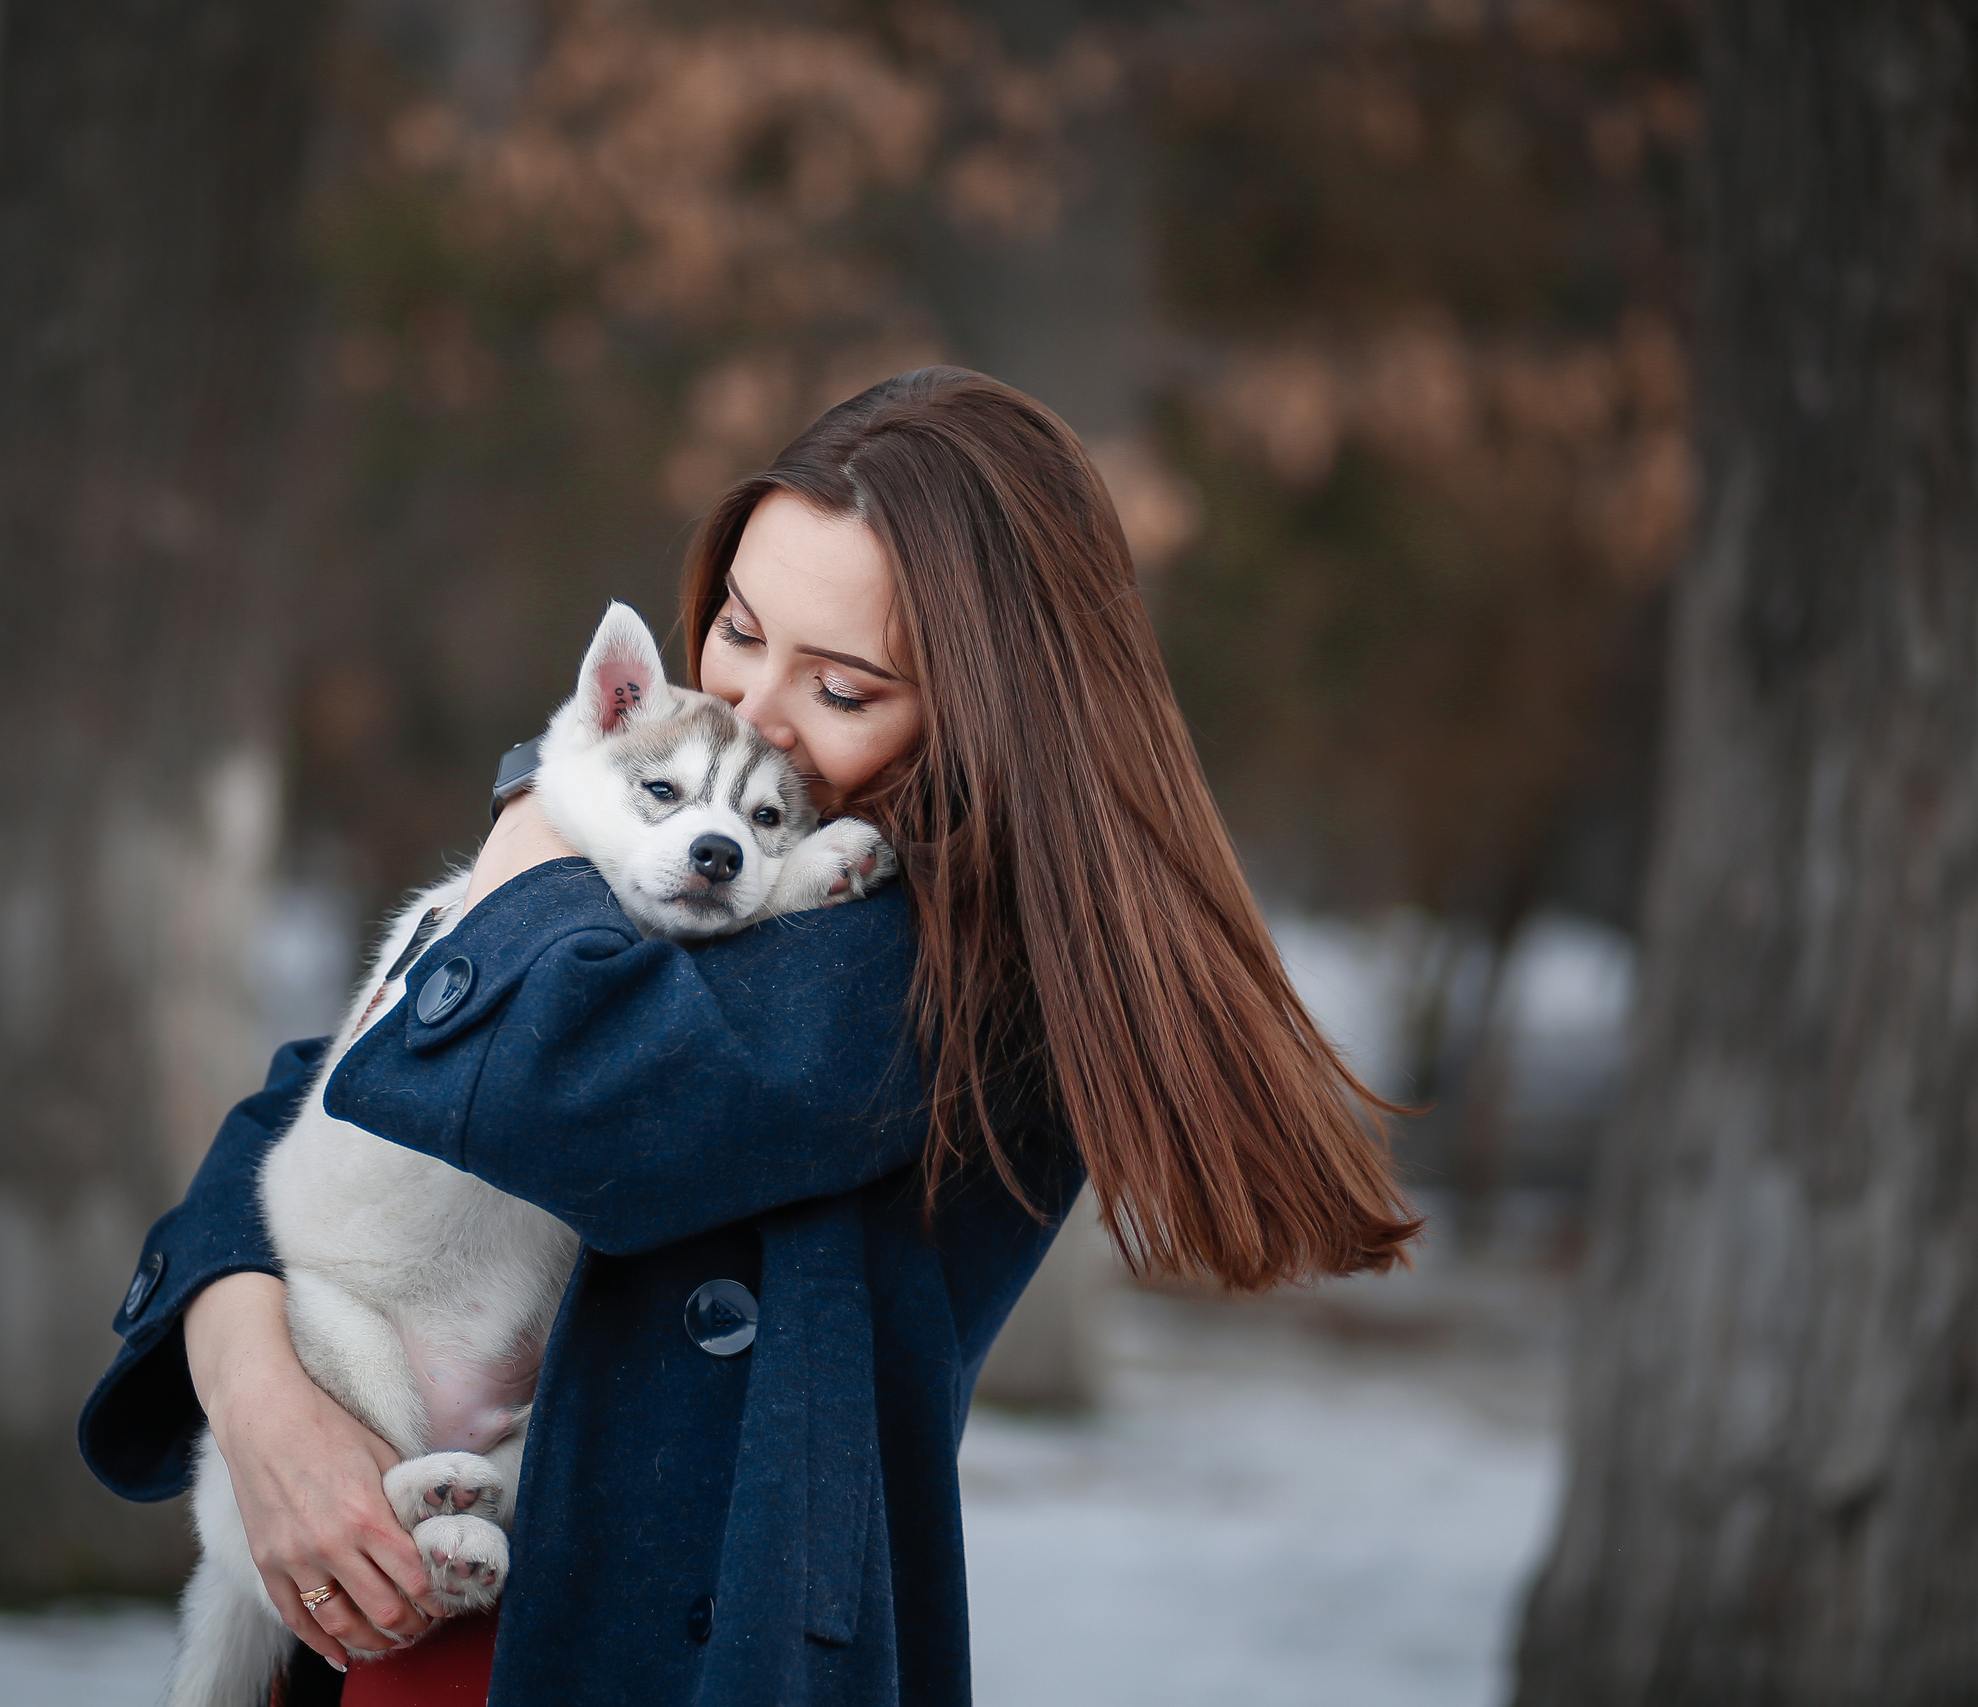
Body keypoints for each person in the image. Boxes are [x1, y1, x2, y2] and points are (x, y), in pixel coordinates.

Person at [78, 367, 1422, 1707]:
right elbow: (305, 1114)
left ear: (984, 712)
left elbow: (543, 1083)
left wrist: (534, 836)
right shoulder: (698, 858)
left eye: (841, 689)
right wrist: (257, 1394)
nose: (752, 712)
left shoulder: (947, 973)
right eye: (736, 627)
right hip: (403, 1624)